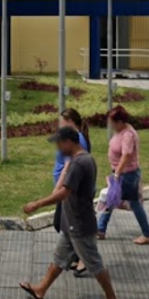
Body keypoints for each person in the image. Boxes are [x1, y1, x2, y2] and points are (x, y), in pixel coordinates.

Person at [20, 126, 123, 299]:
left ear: (69, 142)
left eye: (59, 144)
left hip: (80, 224)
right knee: (59, 258)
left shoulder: (78, 164)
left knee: (94, 262)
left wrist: (38, 204)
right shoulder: (86, 158)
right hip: (73, 223)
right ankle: (41, 289)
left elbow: (64, 192)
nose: (58, 149)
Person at [97, 106, 149, 245]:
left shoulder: (128, 134)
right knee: (110, 198)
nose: (110, 125)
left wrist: (117, 173)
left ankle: (148, 234)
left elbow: (127, 155)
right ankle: (101, 229)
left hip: (127, 174)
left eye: (112, 122)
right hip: (121, 173)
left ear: (120, 121)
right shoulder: (120, 131)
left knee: (133, 203)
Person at [53, 109, 90, 276]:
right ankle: (76, 257)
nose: (60, 125)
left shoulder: (76, 139)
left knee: (65, 226)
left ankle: (83, 258)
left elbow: (69, 166)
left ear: (70, 122)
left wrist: (57, 189)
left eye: (62, 122)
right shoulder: (75, 137)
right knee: (66, 227)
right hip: (68, 189)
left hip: (69, 189)